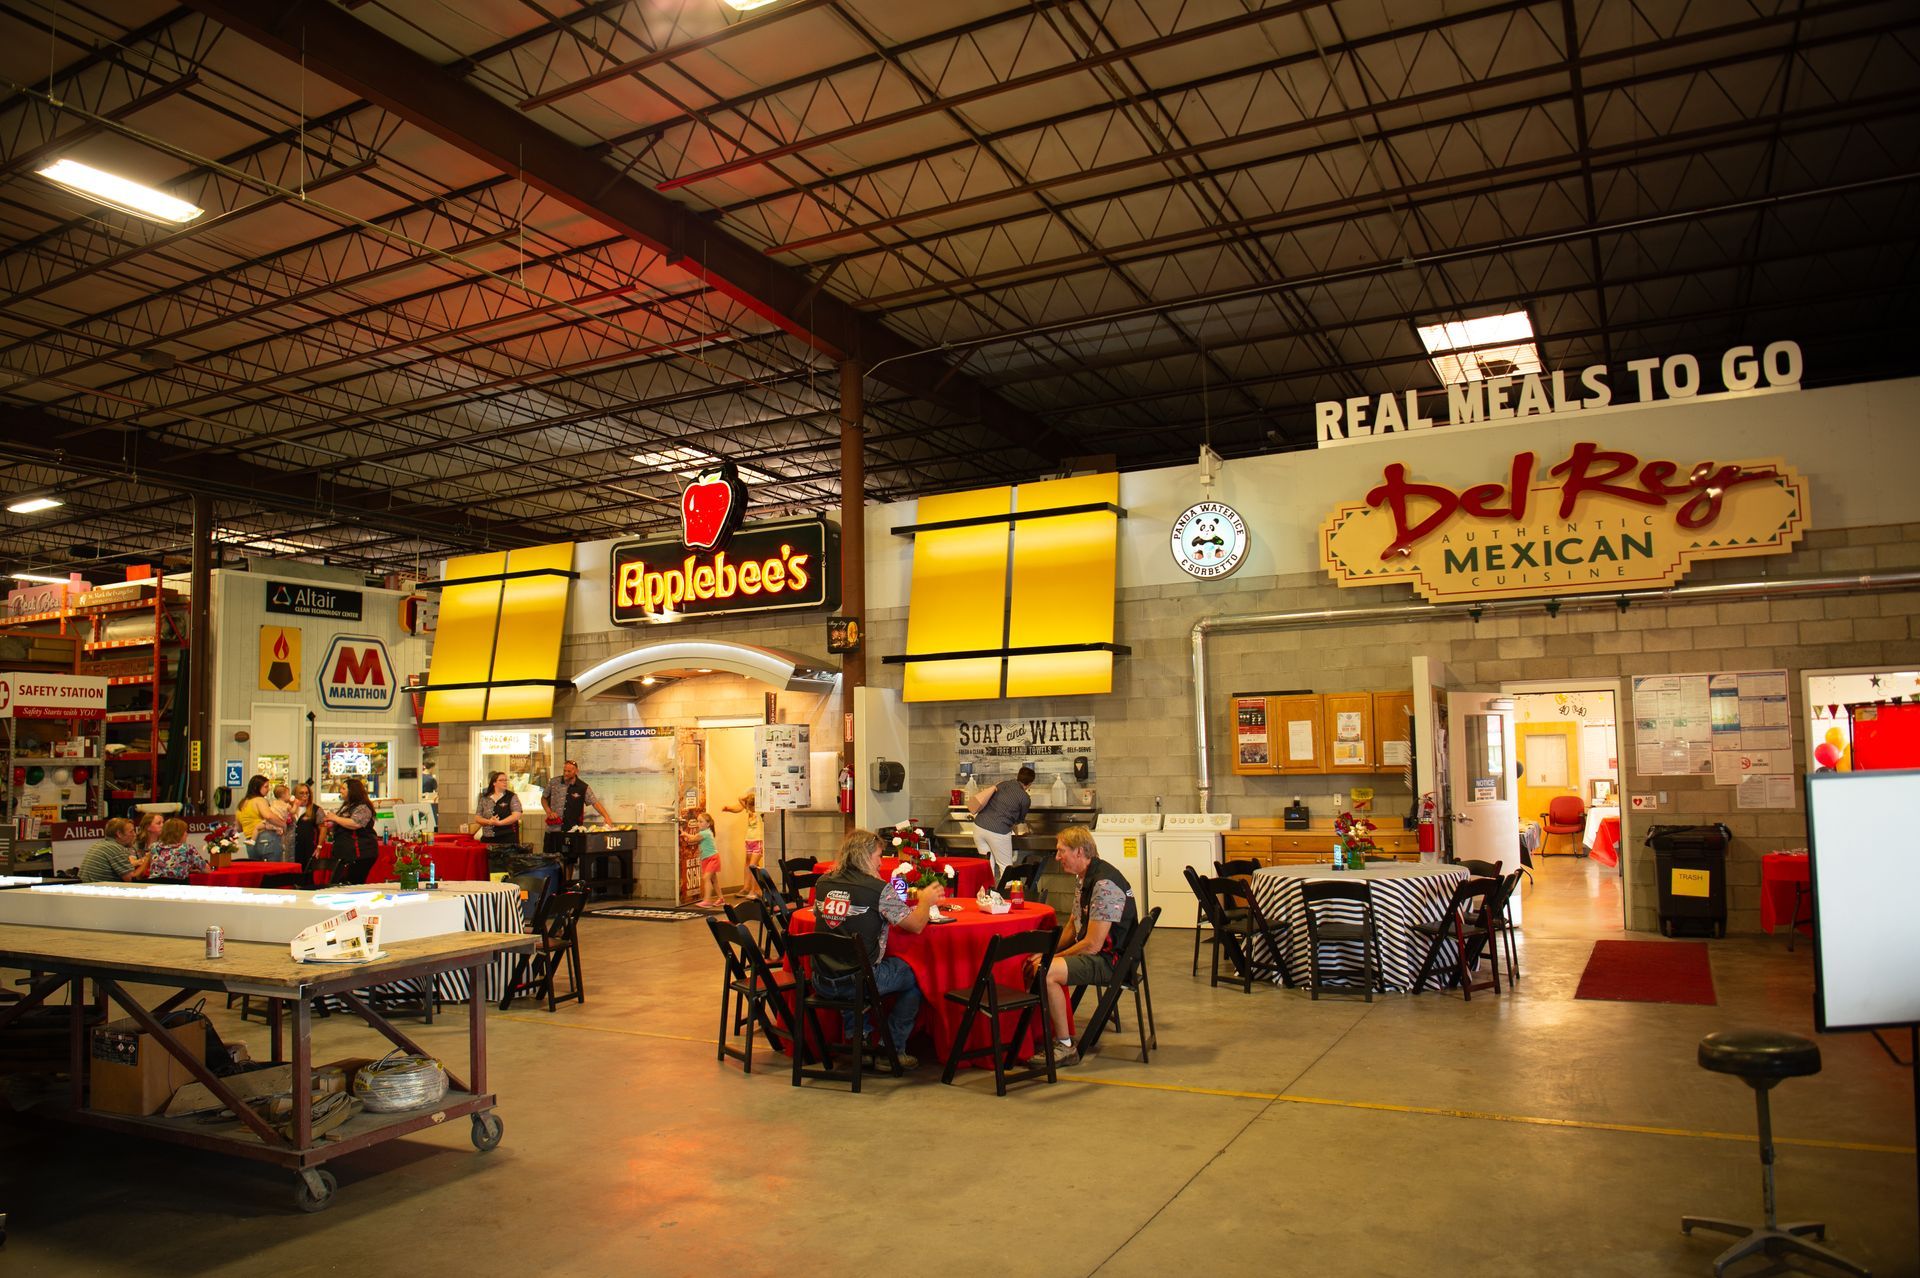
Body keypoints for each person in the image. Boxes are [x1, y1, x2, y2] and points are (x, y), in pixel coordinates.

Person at [811, 828, 944, 1070]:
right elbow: (916, 925)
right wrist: (925, 900)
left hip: (822, 978)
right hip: (858, 981)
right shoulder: (878, 889)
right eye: (879, 856)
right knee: (918, 974)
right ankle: (890, 1048)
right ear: (865, 856)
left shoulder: (823, 882)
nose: (881, 863)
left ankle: (859, 1040)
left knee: (849, 958)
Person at [1027, 824, 1137, 1069]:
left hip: (1112, 962)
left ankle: (1065, 1046)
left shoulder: (1104, 884)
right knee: (1036, 962)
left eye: (1061, 851)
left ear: (1079, 851)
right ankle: (1034, 1034)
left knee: (1046, 972)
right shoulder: (1085, 877)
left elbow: (1092, 945)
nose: (1057, 857)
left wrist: (1049, 961)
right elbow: (1073, 926)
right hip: (1100, 954)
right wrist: (1048, 952)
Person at [971, 766, 1035, 876]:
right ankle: (1007, 888)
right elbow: (1020, 820)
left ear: (1018, 776)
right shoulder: (1025, 798)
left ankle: (988, 887)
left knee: (987, 866)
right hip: (998, 831)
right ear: (1029, 783)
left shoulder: (1002, 784)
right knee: (1006, 867)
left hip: (979, 827)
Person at [319, 778, 379, 885]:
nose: (340, 791)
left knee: (352, 883)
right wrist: (332, 824)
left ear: (352, 790)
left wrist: (335, 818)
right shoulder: (347, 806)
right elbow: (343, 822)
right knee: (341, 883)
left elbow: (355, 823)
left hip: (360, 853)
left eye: (343, 788)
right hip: (346, 853)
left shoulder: (363, 807)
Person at [542, 759, 614, 834]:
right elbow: (543, 798)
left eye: (569, 771)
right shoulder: (553, 782)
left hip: (573, 830)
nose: (566, 773)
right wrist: (549, 812)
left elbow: (595, 803)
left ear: (576, 771)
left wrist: (606, 817)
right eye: (564, 771)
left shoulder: (583, 787)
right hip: (553, 829)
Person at [79, 818, 149, 884]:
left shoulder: (101, 844)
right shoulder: (116, 849)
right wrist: (147, 859)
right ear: (119, 834)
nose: (134, 834)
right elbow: (132, 879)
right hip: (99, 891)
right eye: (131, 831)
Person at [235, 774, 287, 859]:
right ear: (257, 787)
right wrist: (283, 824)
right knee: (273, 867)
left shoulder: (241, 804)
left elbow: (239, 828)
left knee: (257, 867)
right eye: (266, 787)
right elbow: (268, 816)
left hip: (250, 841)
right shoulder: (259, 800)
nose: (268, 789)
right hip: (266, 838)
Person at [722, 792, 764, 898]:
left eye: (751, 806)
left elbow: (743, 799)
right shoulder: (749, 810)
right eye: (748, 806)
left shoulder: (759, 812)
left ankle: (754, 891)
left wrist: (755, 796)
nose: (749, 809)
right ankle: (749, 888)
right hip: (749, 841)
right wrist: (749, 796)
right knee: (749, 864)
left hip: (758, 841)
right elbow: (740, 798)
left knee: (753, 866)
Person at [147, 818, 209, 883]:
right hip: (178, 887)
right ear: (179, 833)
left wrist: (187, 869)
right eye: (185, 831)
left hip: (154, 886)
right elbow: (207, 870)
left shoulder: (154, 847)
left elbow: (163, 868)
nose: (187, 834)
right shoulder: (188, 848)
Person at [694, 811, 722, 907]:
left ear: (708, 824)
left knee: (706, 878)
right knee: (714, 880)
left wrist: (684, 834)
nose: (698, 823)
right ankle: (721, 898)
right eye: (697, 821)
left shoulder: (705, 833)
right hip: (706, 859)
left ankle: (707, 900)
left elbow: (692, 839)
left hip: (712, 858)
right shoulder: (704, 832)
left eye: (701, 821)